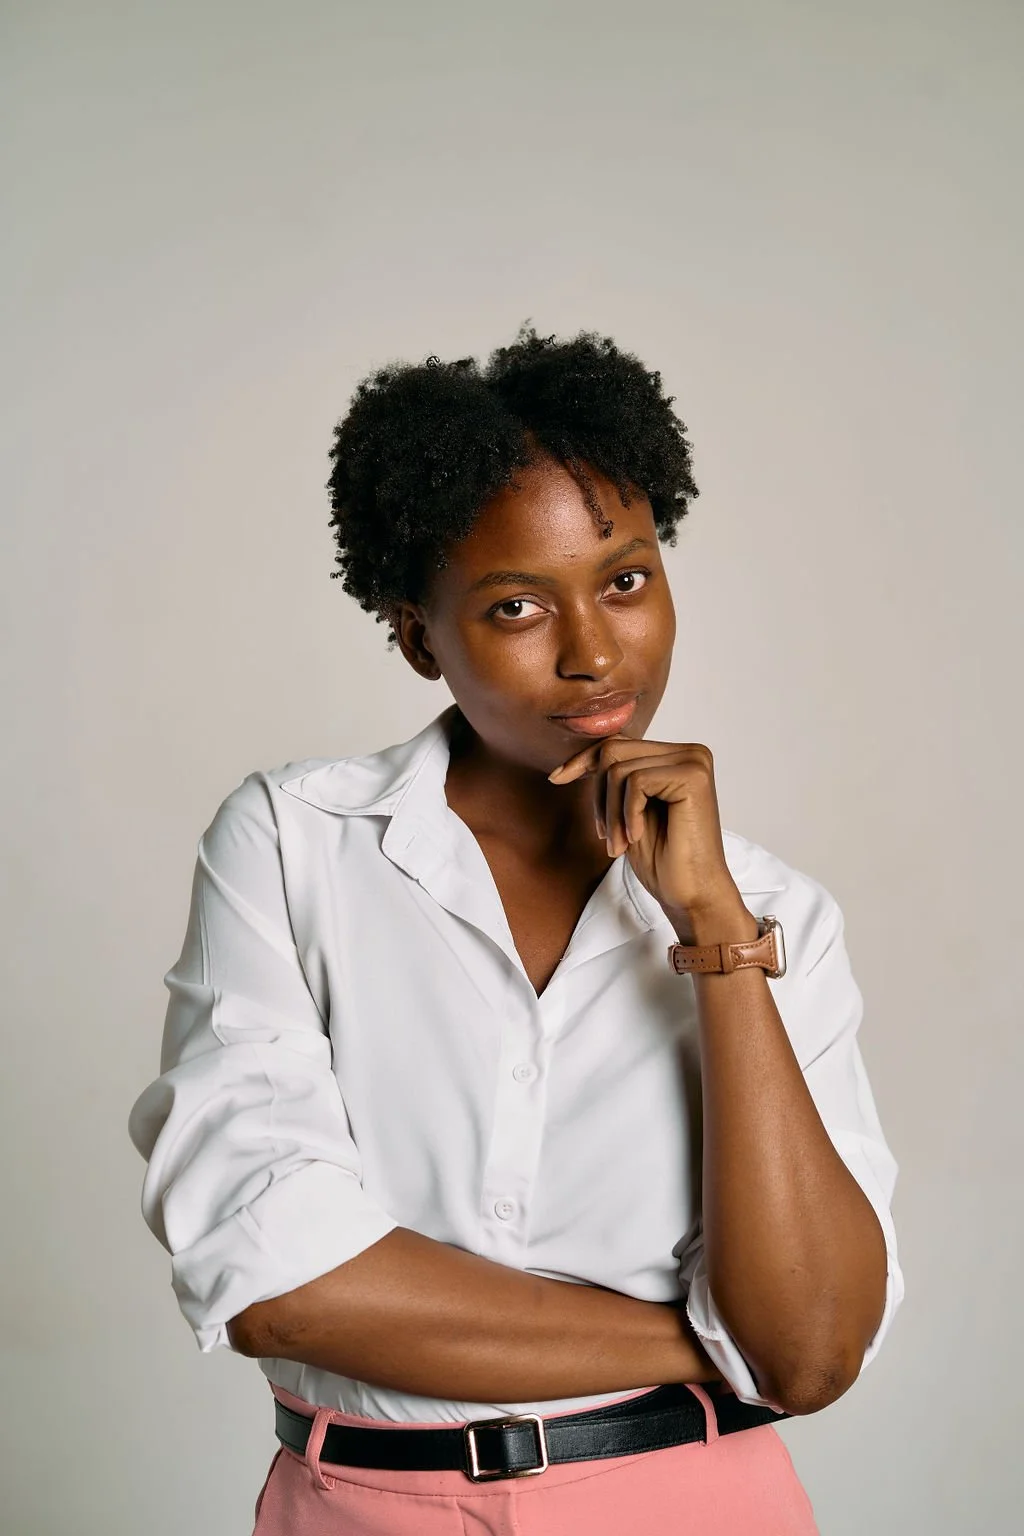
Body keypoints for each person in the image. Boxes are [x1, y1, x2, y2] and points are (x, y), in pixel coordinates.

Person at [128, 325, 904, 1534]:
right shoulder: (295, 843)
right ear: (418, 634)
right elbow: (277, 1286)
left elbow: (812, 1348)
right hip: (361, 1508)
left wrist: (712, 933)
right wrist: (717, 1340)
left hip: (695, 1505)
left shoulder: (776, 914)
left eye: (628, 580)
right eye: (515, 605)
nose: (595, 652)